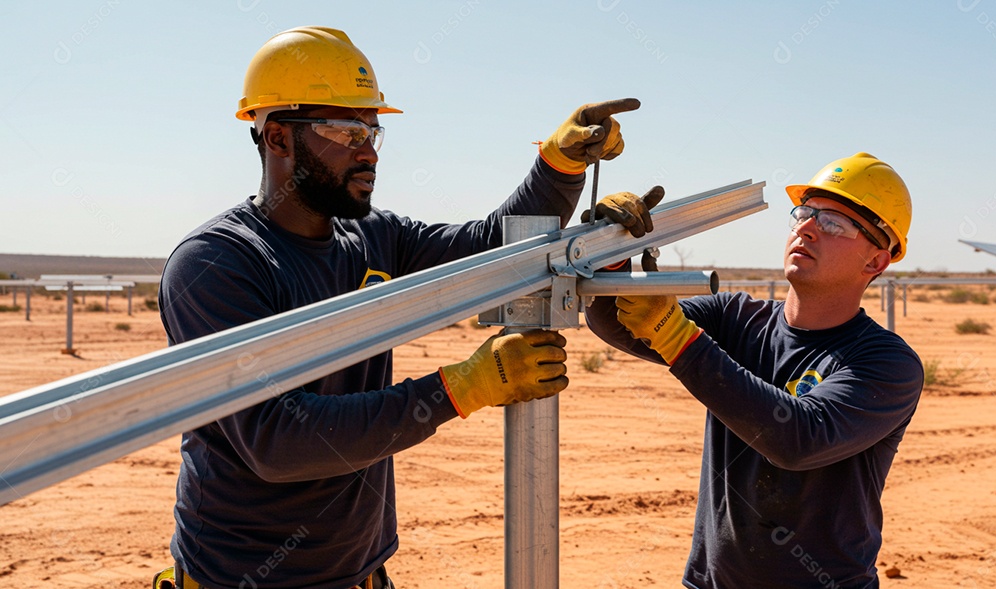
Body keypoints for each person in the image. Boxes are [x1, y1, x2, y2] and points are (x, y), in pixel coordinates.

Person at [155, 26, 652, 589]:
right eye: (344, 131)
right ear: (277, 139)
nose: (367, 151)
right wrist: (462, 387)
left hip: (364, 573)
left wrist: (559, 167)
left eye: (372, 131)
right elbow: (276, 442)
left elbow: (488, 248)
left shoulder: (373, 239)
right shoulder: (218, 264)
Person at [586, 153, 923, 588]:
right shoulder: (735, 317)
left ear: (876, 261)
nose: (806, 228)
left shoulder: (886, 364)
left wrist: (676, 336)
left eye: (834, 223)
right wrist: (611, 255)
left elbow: (797, 439)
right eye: (805, 213)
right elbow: (618, 322)